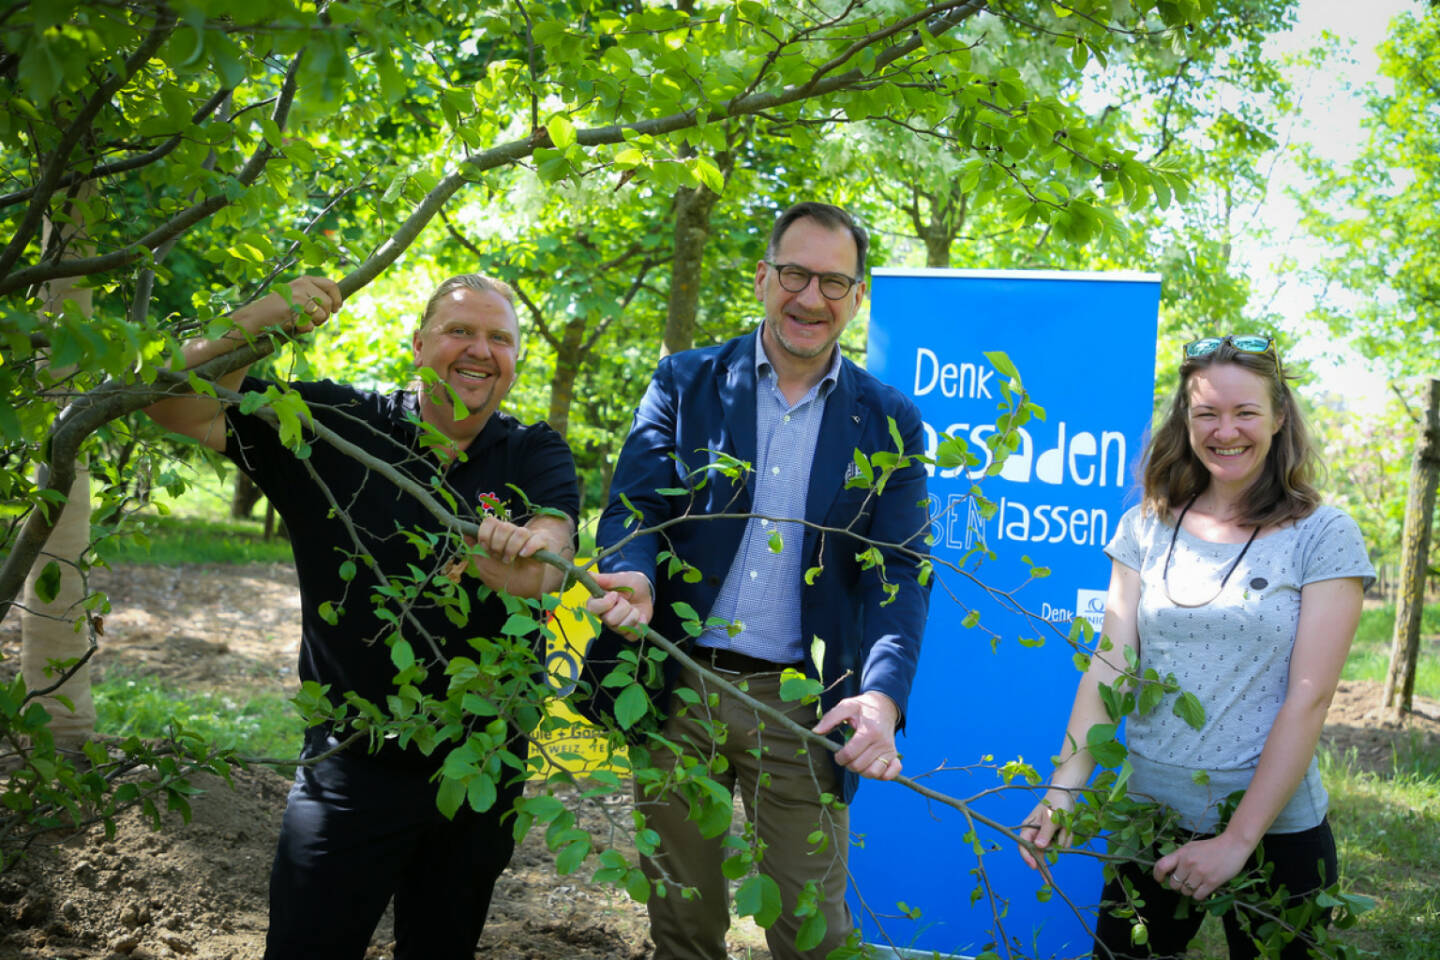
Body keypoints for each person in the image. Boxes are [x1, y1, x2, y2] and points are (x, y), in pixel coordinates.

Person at [145, 274, 579, 960]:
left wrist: (513, 555)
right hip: (351, 763)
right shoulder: (332, 425)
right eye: (460, 331)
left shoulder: (534, 451)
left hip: (481, 770)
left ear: (517, 360)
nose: (480, 350)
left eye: (500, 338)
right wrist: (263, 321)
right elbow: (168, 401)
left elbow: (551, 563)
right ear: (417, 345)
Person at [581, 202, 932, 959]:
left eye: (833, 282)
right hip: (675, 679)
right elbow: (635, 505)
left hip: (805, 708)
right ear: (763, 277)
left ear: (857, 296)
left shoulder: (890, 420)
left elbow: (898, 573)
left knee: (813, 931)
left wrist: (880, 694)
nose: (811, 298)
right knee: (683, 921)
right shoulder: (686, 381)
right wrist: (635, 573)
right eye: (795, 274)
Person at [1018, 334, 1374, 959]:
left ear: (1279, 417)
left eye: (1245, 413)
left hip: (1273, 835)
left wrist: (1236, 841)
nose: (1225, 430)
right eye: (1206, 412)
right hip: (1148, 819)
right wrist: (1063, 790)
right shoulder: (1146, 524)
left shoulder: (1324, 534)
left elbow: (1310, 699)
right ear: (1185, 420)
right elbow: (1112, 665)